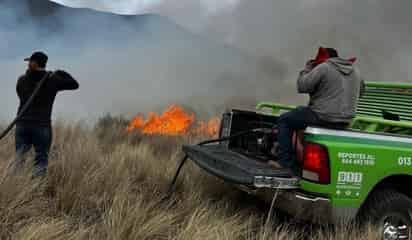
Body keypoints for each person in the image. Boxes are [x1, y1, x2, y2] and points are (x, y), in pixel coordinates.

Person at [271, 47, 363, 173]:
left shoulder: (324, 67)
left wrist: (307, 69)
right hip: (345, 120)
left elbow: (302, 86)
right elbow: (361, 92)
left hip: (322, 117)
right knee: (300, 111)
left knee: (284, 120)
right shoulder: (356, 71)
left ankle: (286, 163)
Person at [15, 51, 79, 177]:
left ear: (34, 63)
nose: (28, 64)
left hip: (22, 125)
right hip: (41, 126)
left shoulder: (22, 80)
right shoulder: (53, 80)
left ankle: (16, 187)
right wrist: (60, 72)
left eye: (30, 62)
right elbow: (74, 84)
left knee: (19, 159)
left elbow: (20, 94)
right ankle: (36, 191)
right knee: (41, 160)